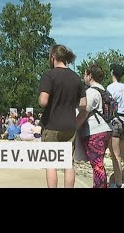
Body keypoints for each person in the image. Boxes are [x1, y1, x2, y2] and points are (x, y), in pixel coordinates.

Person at [38, 44, 87, 188]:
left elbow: (43, 101)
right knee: (68, 163)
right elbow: (83, 104)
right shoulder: (76, 78)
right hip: (70, 126)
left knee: (51, 164)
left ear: (53, 56)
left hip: (52, 125)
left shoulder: (49, 75)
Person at [78, 64, 112, 188]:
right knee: (99, 164)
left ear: (90, 76)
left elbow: (84, 112)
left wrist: (74, 126)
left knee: (97, 165)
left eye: (85, 74)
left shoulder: (91, 92)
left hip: (95, 131)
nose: (83, 76)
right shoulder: (104, 91)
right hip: (106, 129)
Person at [106, 63, 124, 188]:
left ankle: (118, 183)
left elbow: (109, 105)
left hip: (115, 120)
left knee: (115, 155)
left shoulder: (110, 88)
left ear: (112, 72)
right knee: (123, 153)